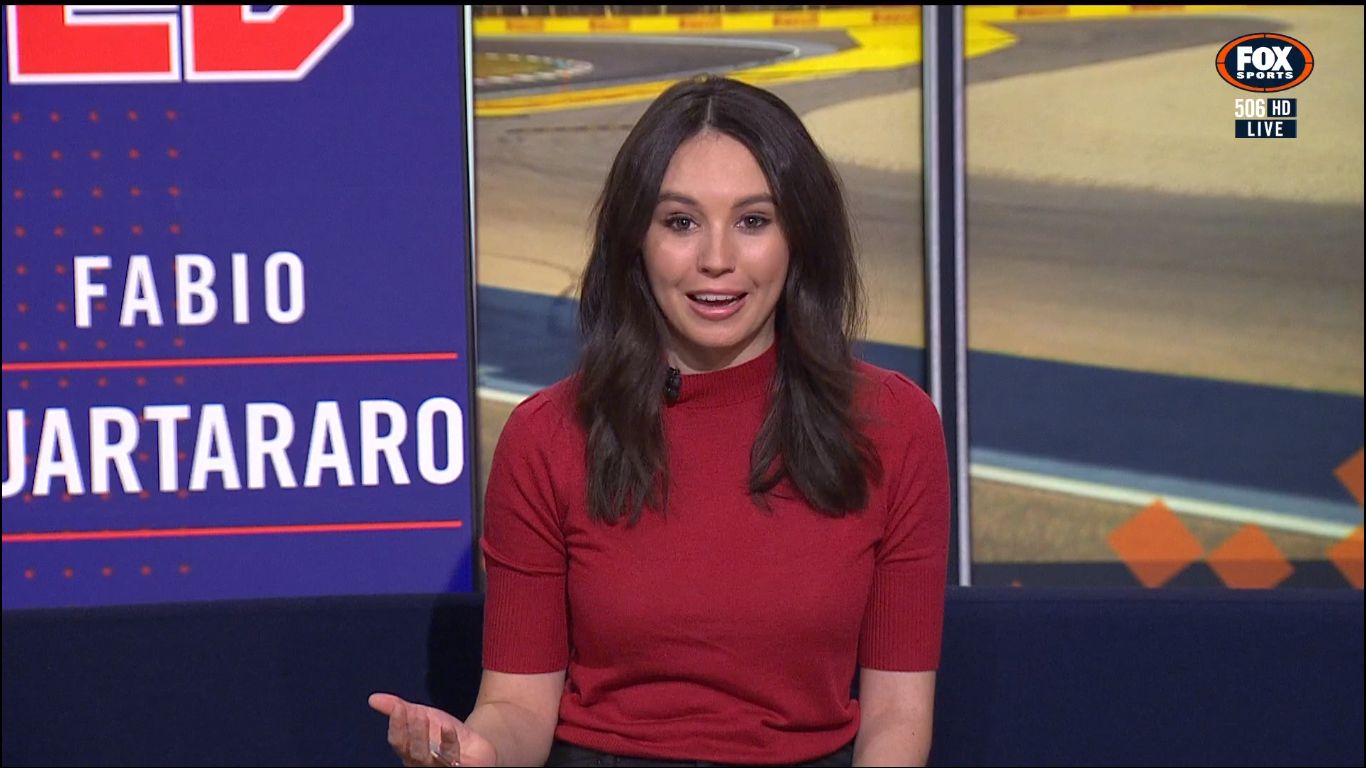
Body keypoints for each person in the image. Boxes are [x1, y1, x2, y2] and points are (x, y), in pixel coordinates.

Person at [370, 74, 949, 767]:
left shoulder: (894, 426)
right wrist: (479, 752)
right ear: (635, 241)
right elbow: (519, 704)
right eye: (680, 223)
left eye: (753, 221)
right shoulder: (547, 437)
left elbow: (896, 715)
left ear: (800, 236)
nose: (716, 260)